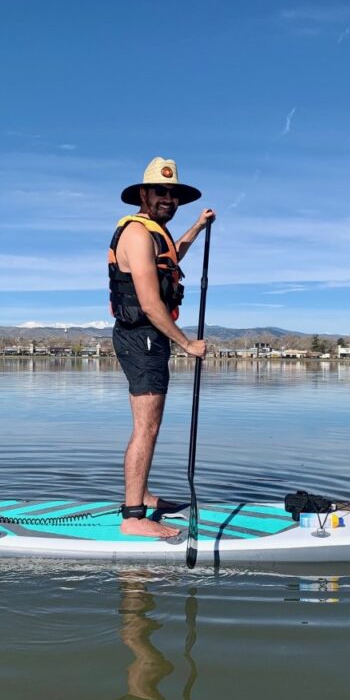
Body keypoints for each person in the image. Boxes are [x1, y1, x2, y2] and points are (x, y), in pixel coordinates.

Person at [108, 157, 214, 538]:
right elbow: (151, 304)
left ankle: (145, 495)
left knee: (149, 425)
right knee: (146, 427)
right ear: (143, 194)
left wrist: (198, 227)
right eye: (160, 192)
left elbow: (174, 256)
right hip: (142, 336)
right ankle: (133, 516)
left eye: (173, 194)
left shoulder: (156, 234)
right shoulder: (137, 234)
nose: (168, 199)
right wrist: (186, 343)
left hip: (147, 337)